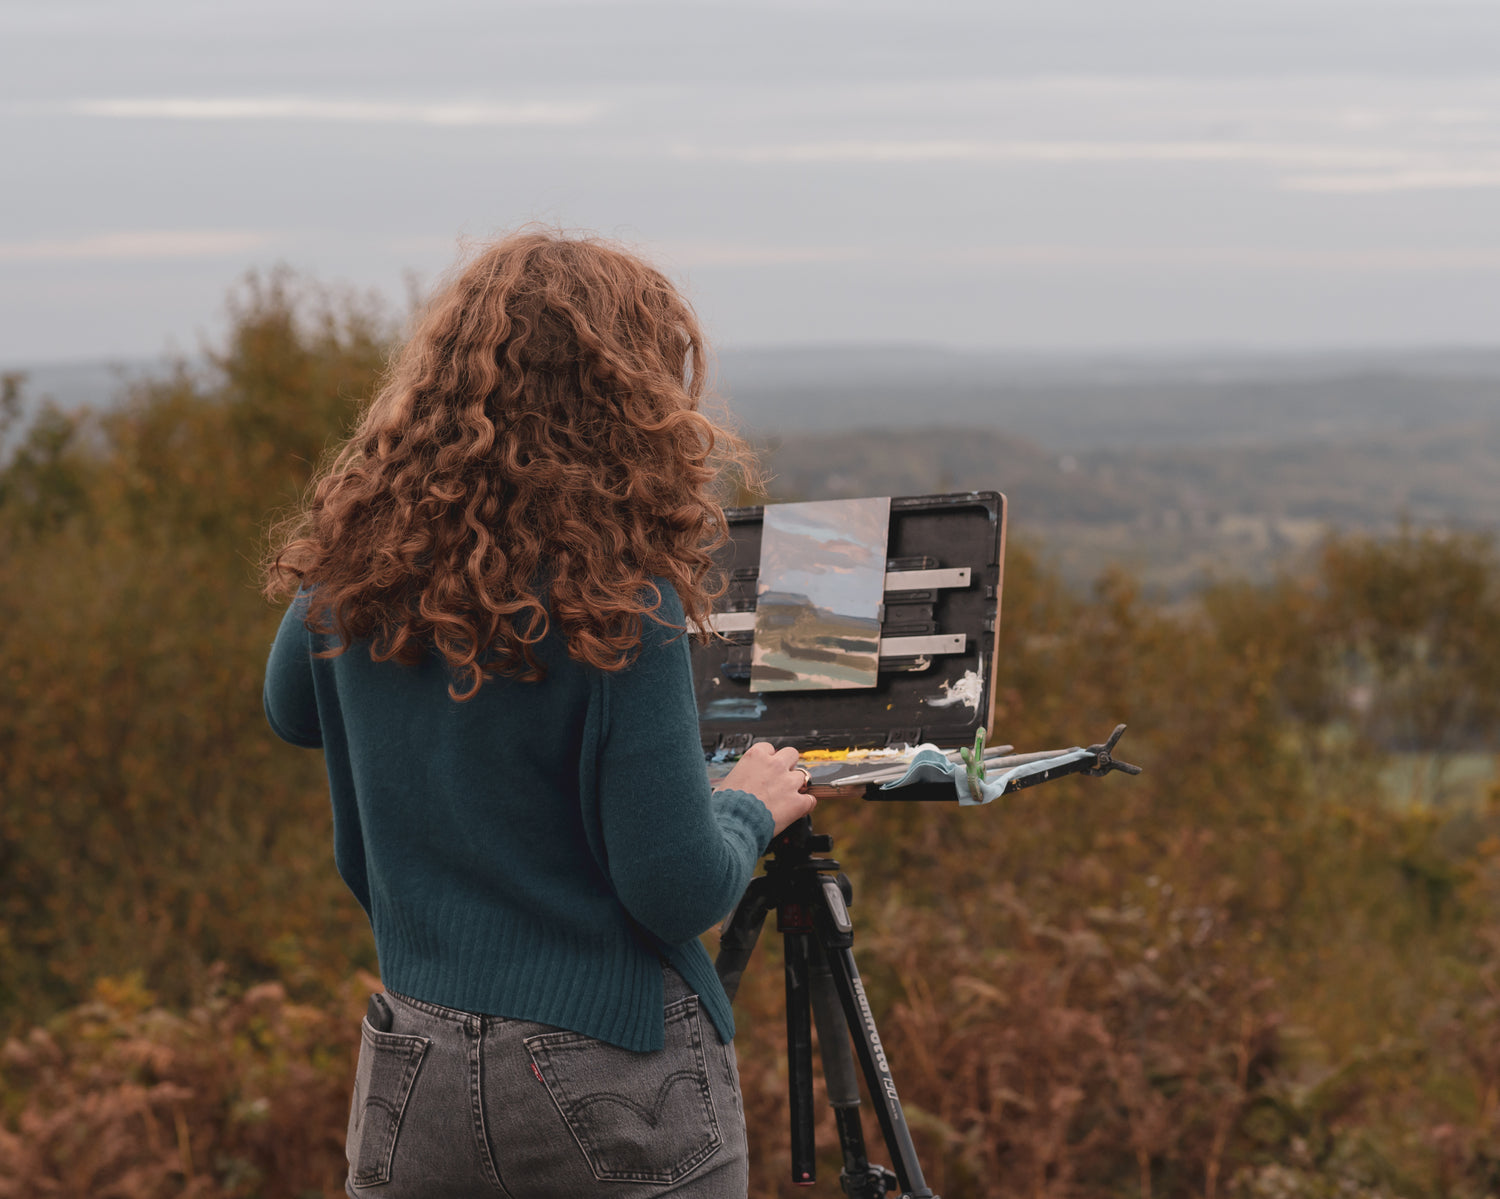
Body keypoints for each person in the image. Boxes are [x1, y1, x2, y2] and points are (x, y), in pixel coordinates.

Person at [262, 230, 816, 1198]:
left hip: (416, 1056)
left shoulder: (358, 572)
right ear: (634, 400)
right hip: (607, 1064)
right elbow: (677, 887)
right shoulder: (619, 605)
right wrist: (746, 806)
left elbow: (291, 710)